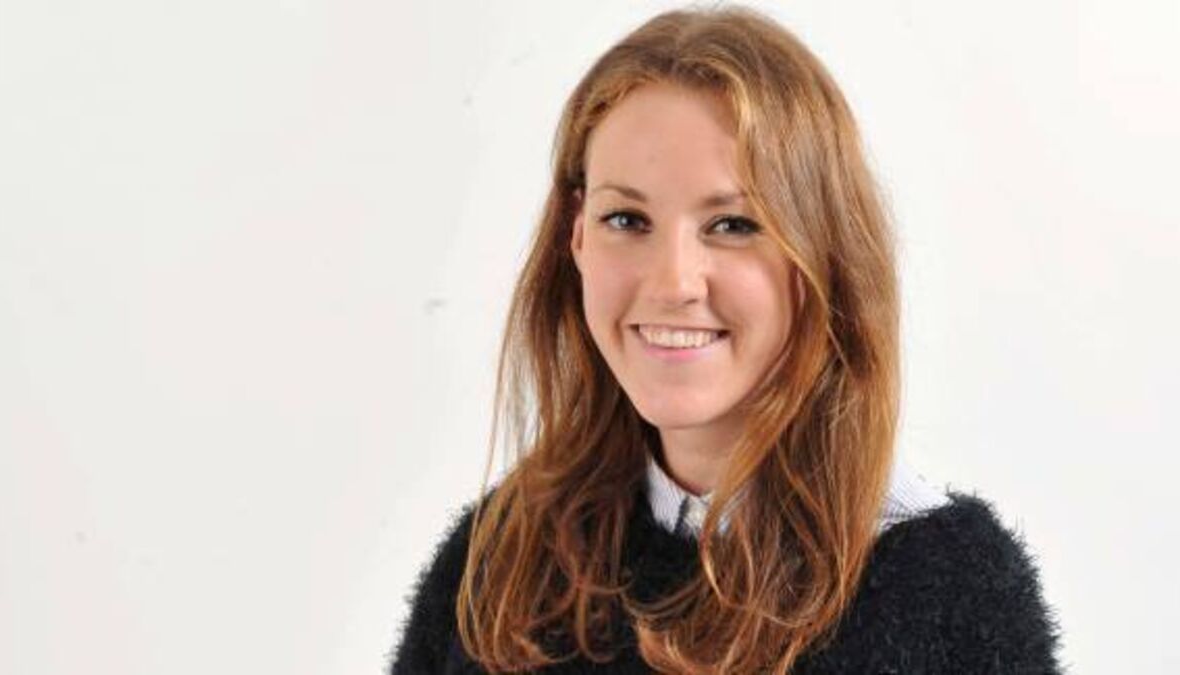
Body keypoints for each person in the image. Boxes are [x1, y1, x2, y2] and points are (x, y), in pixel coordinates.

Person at [392, 5, 1063, 674]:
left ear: (823, 251)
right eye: (626, 219)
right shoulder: (496, 562)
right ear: (576, 236)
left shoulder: (953, 595)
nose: (673, 282)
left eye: (734, 225)